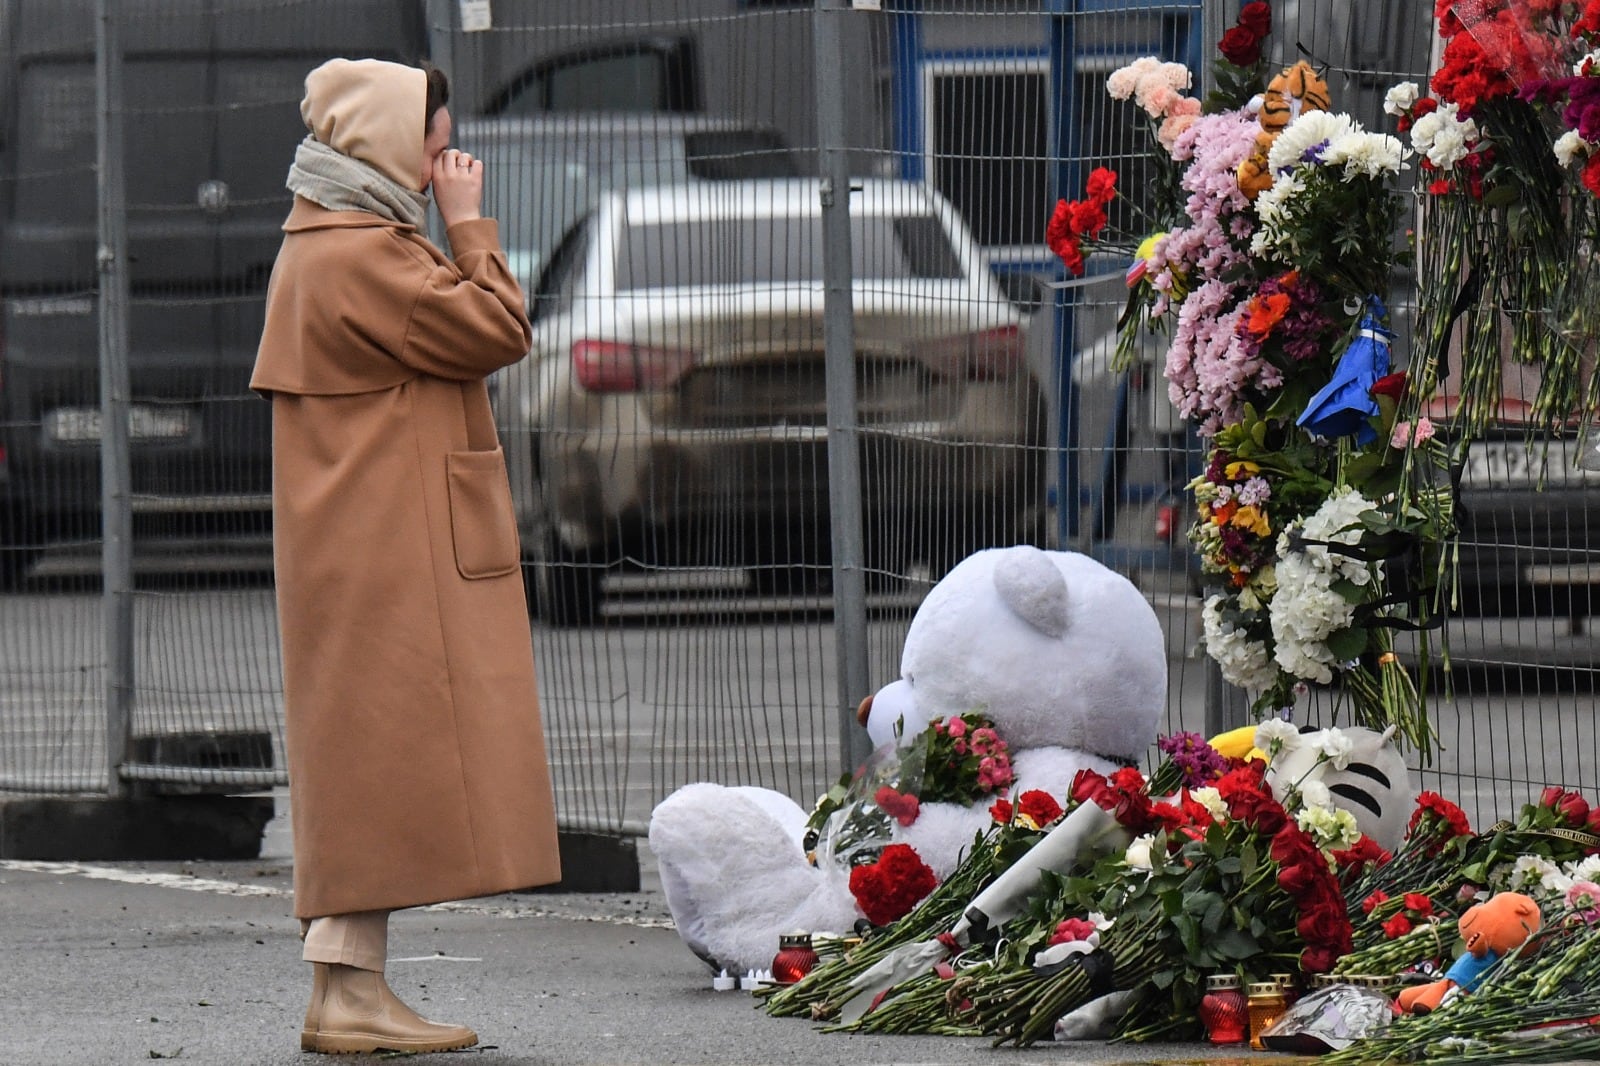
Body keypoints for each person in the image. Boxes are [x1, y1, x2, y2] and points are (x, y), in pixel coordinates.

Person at [251, 57, 561, 1055]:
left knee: (369, 769)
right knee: (379, 768)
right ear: (384, 144)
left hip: (370, 546)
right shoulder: (364, 255)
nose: (442, 166)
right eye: (432, 147)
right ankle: (346, 995)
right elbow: (498, 328)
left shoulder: (338, 242)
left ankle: (349, 990)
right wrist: (472, 225)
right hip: (388, 553)